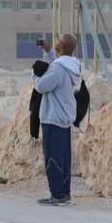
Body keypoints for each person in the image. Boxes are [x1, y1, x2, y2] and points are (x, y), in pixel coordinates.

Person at [32, 34, 83, 205]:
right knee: (64, 158)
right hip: (64, 116)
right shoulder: (72, 65)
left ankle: (57, 194)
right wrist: (48, 52)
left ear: (61, 46)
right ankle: (65, 193)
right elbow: (57, 66)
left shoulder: (58, 68)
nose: (55, 42)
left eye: (58, 41)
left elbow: (42, 86)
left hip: (53, 117)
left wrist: (35, 74)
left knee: (53, 157)